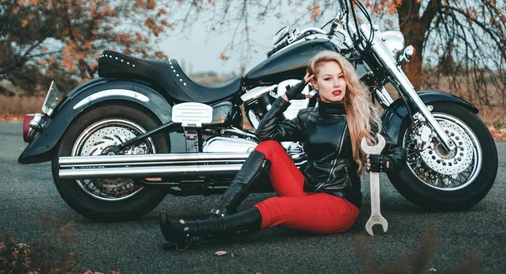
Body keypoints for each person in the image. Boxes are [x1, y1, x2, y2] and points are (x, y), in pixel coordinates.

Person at [159, 50, 406, 250]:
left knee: (273, 207)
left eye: (341, 77)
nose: (336, 84)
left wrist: (384, 163)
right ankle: (219, 213)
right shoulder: (307, 117)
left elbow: (397, 152)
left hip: (339, 205)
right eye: (328, 78)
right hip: (307, 192)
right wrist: (286, 97)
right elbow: (264, 134)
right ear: (314, 82)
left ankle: (197, 231)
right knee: (269, 147)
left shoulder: (360, 116)